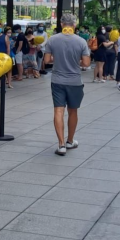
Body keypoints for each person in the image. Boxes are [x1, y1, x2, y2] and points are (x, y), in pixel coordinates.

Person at [42, 15, 91, 156]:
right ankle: (70, 141)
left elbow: (47, 60)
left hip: (57, 80)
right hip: (74, 81)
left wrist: (57, 59)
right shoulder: (81, 41)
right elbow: (86, 64)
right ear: (74, 25)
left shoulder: (52, 40)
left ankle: (61, 144)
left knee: (58, 111)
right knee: (73, 111)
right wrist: (76, 62)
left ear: (62, 23)